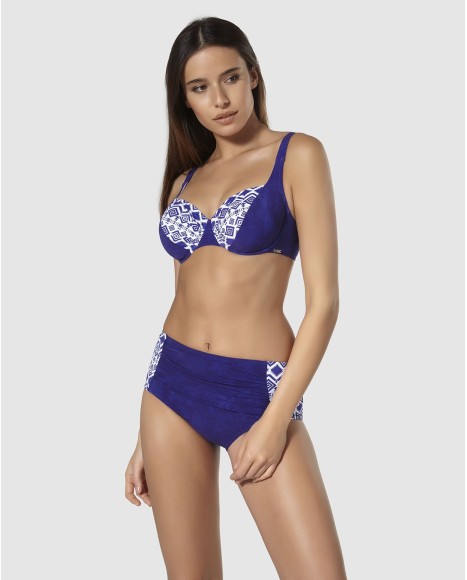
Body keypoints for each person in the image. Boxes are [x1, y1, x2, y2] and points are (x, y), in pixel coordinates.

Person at [125, 16, 347, 579]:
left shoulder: (298, 155)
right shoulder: (184, 181)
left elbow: (323, 304)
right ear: (185, 100)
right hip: (170, 388)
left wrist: (276, 421)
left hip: (258, 393)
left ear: (253, 76)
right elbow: (183, 296)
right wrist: (144, 437)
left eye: (230, 78)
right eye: (200, 88)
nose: (220, 99)